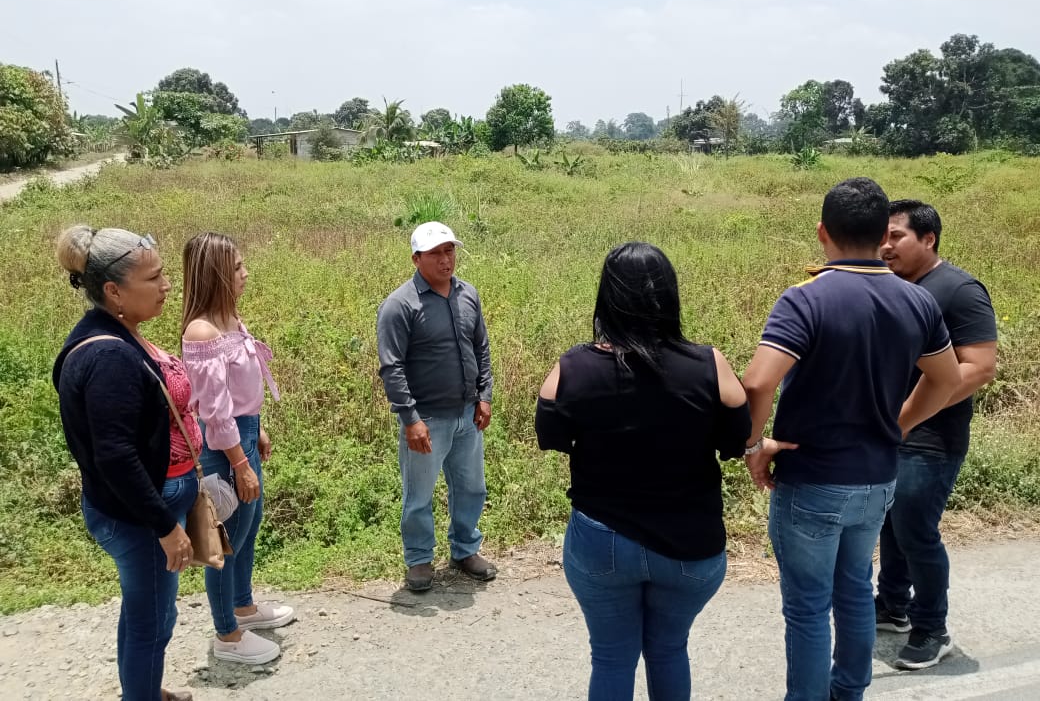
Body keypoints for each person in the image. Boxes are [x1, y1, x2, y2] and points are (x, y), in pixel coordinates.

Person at [742, 178, 962, 701]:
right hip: (877, 479)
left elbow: (757, 382)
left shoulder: (805, 299)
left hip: (813, 479)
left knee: (808, 607)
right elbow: (948, 378)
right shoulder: (917, 300)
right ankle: (849, 692)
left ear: (823, 232)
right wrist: (899, 425)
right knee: (857, 592)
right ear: (883, 235)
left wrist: (753, 447)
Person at [535, 242, 753, 701]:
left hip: (602, 541)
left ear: (606, 298)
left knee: (612, 657)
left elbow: (551, 434)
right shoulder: (709, 363)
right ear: (668, 295)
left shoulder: (573, 366)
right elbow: (736, 440)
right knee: (669, 648)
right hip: (690, 546)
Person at [53, 225, 196, 701]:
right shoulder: (110, 357)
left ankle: (143, 689)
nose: (166, 285)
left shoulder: (107, 333)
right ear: (114, 291)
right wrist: (165, 526)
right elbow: (115, 456)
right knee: (152, 621)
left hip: (134, 510)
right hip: (136, 518)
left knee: (144, 614)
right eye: (153, 278)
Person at [876, 200, 998, 669]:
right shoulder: (894, 287)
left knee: (916, 531)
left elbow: (979, 367)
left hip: (931, 439)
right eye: (881, 237)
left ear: (928, 239)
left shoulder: (958, 290)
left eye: (896, 236)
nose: (885, 246)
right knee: (891, 523)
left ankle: (932, 628)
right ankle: (893, 605)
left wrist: (907, 417)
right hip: (891, 431)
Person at [181, 232, 294, 665]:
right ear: (215, 274)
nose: (245, 274)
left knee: (249, 525)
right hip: (224, 448)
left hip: (243, 435)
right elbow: (214, 411)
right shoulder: (203, 331)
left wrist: (257, 429)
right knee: (226, 540)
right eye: (236, 268)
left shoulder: (230, 319)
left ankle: (243, 606)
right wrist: (240, 463)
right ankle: (227, 634)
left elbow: (240, 393)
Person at [376, 221, 496, 592]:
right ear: (416, 259)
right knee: (419, 496)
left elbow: (481, 348)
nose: (445, 260)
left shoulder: (467, 294)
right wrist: (411, 419)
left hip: (467, 414)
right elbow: (392, 367)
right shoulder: (400, 305)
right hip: (426, 418)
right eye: (435, 254)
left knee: (471, 488)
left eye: (449, 251)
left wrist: (485, 395)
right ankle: (419, 560)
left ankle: (465, 550)